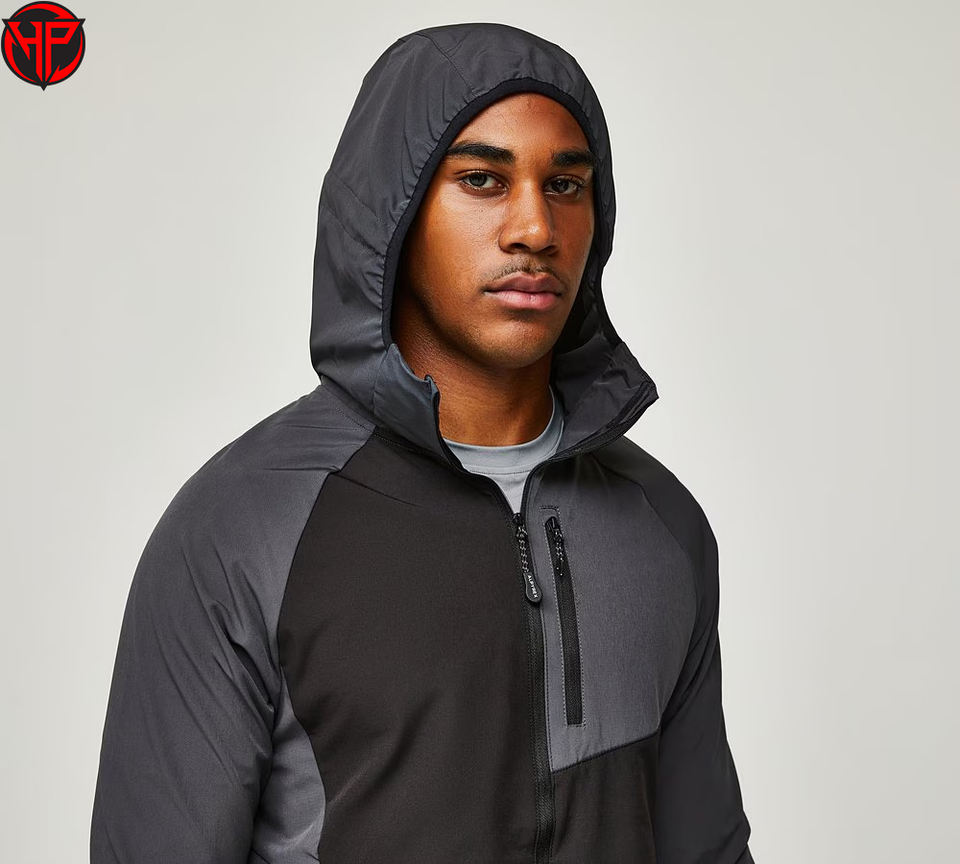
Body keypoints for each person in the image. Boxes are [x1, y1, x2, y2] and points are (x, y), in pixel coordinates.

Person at [91, 21, 754, 864]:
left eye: (565, 185)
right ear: (393, 213)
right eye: (482, 180)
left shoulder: (660, 523)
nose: (535, 228)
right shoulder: (242, 528)